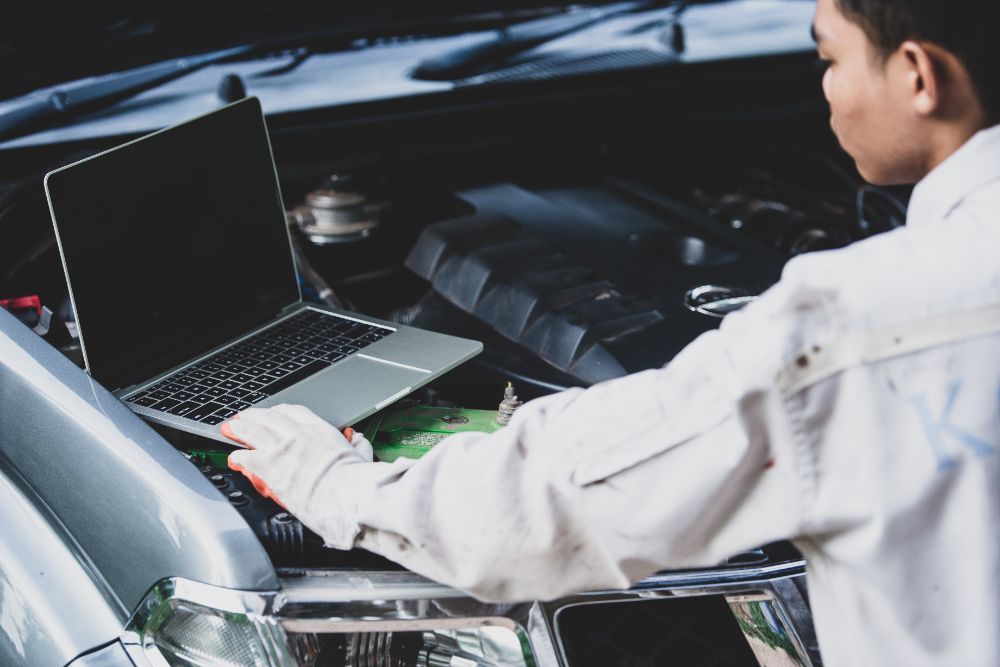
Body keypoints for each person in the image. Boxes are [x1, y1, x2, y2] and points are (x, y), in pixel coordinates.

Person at [221, 0, 1000, 663]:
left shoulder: (855, 328)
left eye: (830, 58)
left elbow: (545, 500)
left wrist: (333, 482)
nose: (824, 89)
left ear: (918, 76)